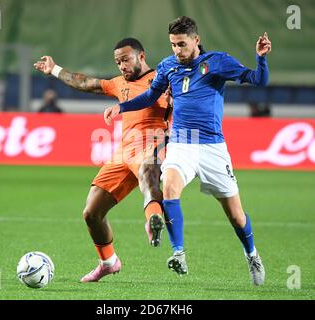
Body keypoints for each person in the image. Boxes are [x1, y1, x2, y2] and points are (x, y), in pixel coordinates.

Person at [104, 16, 271, 286]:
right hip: (182, 142)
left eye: (181, 44)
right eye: (172, 45)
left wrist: (261, 58)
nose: (177, 51)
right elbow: (149, 96)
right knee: (168, 188)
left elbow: (258, 80)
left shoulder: (217, 62)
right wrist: (121, 107)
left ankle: (251, 254)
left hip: (212, 147)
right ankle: (178, 253)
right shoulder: (168, 65)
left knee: (236, 215)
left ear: (196, 40)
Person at [34, 38, 171, 282]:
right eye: (118, 62)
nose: (121, 66)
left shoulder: (163, 79)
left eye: (125, 59)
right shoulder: (119, 84)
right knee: (91, 213)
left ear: (141, 56)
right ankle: (108, 262)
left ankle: (153, 219)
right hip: (123, 152)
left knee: (148, 177)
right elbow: (85, 82)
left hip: (153, 143)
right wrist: (54, 69)